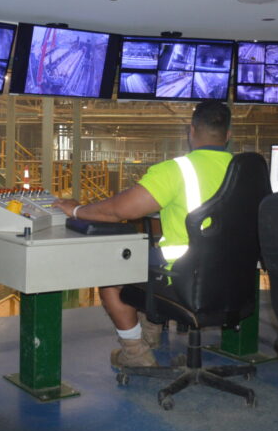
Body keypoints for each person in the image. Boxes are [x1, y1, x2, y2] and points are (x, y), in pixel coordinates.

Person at [53, 101, 233, 367]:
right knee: (150, 260)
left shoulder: (178, 170)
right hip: (232, 279)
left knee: (113, 277)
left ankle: (135, 353)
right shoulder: (244, 170)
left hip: (186, 277)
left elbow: (119, 211)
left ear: (191, 131)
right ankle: (152, 334)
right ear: (228, 135)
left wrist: (77, 209)